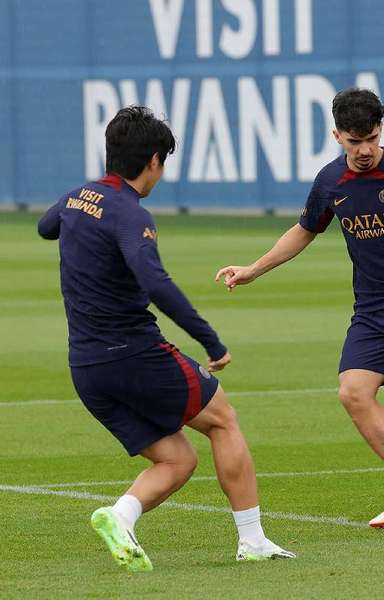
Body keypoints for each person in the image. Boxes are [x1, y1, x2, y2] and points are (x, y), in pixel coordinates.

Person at [38, 106, 294, 571]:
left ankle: (119, 515)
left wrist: (82, 213)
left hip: (87, 369)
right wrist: (211, 342)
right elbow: (155, 283)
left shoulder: (80, 197)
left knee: (177, 460)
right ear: (154, 160)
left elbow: (46, 226)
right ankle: (253, 540)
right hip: (134, 354)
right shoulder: (131, 213)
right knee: (224, 421)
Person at [215, 88, 384, 530]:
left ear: (381, 131)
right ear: (337, 135)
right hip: (372, 307)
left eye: (372, 138)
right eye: (354, 141)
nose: (364, 150)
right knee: (353, 392)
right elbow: (305, 230)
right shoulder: (329, 182)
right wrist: (254, 269)